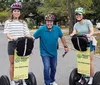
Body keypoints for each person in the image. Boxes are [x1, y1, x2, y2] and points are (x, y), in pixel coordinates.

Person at [33, 13, 68, 85]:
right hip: (44, 52)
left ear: (53, 22)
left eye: (51, 21)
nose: (49, 23)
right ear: (45, 22)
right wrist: (29, 48)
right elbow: (33, 38)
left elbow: (62, 37)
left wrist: (65, 46)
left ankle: (52, 80)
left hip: (54, 52)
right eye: (48, 21)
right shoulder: (41, 29)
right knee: (46, 67)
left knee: (54, 67)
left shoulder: (57, 29)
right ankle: (47, 82)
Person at [4, 2, 31, 85]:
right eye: (15, 11)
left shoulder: (23, 22)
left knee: (22, 63)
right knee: (12, 63)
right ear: (12, 12)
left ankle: (22, 79)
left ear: (20, 12)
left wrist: (30, 37)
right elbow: (7, 33)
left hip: (22, 44)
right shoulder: (8, 22)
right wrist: (11, 37)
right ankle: (12, 81)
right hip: (12, 44)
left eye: (18, 11)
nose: (16, 12)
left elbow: (26, 33)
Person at [70, 7, 95, 85]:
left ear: (82, 15)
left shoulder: (88, 22)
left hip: (89, 43)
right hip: (80, 44)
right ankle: (82, 77)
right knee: (81, 61)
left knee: (89, 61)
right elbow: (74, 32)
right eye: (77, 14)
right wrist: (72, 34)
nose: (78, 16)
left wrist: (89, 35)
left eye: (79, 14)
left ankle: (91, 77)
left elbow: (92, 31)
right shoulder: (76, 25)